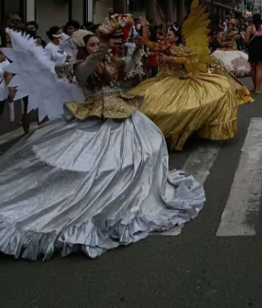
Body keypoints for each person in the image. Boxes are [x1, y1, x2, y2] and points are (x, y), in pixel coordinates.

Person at [0, 20, 205, 261]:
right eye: (93, 43)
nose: (98, 46)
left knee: (146, 147)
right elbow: (87, 69)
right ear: (84, 47)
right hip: (95, 115)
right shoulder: (78, 65)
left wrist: (138, 49)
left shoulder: (110, 60)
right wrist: (103, 46)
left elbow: (125, 68)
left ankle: (129, 193)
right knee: (95, 162)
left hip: (121, 110)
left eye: (98, 42)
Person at [128, 0, 239, 151]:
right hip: (161, 81)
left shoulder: (179, 49)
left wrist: (169, 58)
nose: (166, 36)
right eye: (166, 33)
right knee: (146, 106)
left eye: (169, 34)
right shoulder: (162, 46)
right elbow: (147, 42)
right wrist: (145, 26)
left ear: (176, 37)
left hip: (177, 81)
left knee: (178, 109)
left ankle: (175, 133)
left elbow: (190, 58)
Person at [244, 13, 262, 95]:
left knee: (253, 69)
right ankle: (257, 89)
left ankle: (254, 87)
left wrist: (242, 36)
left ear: (253, 19)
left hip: (253, 50)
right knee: (259, 69)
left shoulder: (250, 28)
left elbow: (246, 40)